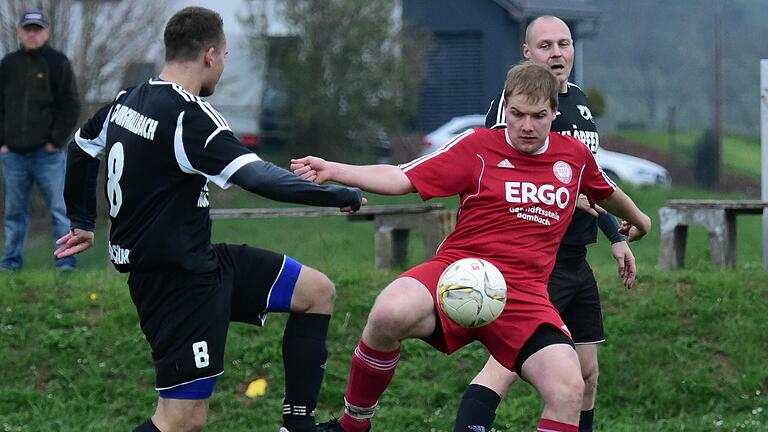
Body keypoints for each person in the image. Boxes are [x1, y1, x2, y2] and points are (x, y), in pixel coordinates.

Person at [292, 61, 651, 432]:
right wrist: (335, 169)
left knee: (569, 386)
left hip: (525, 294)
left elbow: (607, 192)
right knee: (387, 312)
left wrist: (641, 221)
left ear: (554, 113)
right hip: (455, 271)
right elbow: (402, 177)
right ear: (505, 109)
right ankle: (353, 425)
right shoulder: (477, 146)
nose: (527, 125)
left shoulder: (573, 156)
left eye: (538, 116)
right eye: (517, 114)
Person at [54, 7, 364, 432]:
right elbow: (256, 175)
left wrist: (82, 219)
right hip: (175, 286)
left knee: (316, 292)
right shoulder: (188, 117)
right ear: (210, 55)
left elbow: (81, 148)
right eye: (226, 57)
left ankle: (298, 424)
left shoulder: (127, 100)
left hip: (204, 263)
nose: (223, 66)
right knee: (181, 422)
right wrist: (333, 195)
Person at [453, 16, 633, 432]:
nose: (557, 54)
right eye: (546, 45)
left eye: (564, 44)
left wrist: (613, 236)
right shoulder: (513, 108)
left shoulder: (580, 102)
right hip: (536, 262)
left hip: (576, 259)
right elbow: (502, 179)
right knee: (504, 368)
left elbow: (592, 181)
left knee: (587, 375)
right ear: (527, 53)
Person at [0, 9, 80, 271]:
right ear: (19, 32)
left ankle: (66, 263)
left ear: (47, 32)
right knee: (14, 214)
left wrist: (55, 141)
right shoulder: (8, 64)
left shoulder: (58, 62)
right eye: (27, 29)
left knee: (60, 210)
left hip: (48, 154)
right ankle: (11, 265)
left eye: (37, 29)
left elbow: (70, 105)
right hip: (12, 154)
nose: (32, 34)